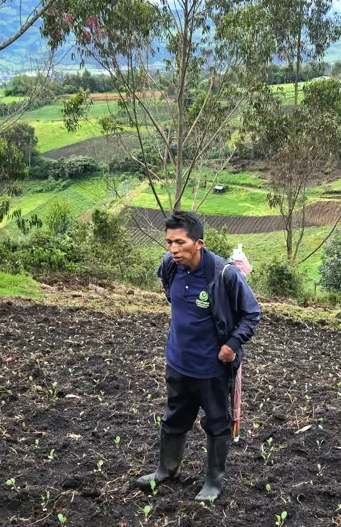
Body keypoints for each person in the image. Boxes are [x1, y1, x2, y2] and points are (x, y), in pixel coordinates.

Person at [136, 210, 261, 502]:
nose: (173, 249)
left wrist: (231, 344)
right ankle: (166, 470)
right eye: (168, 242)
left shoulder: (224, 274)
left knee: (217, 423)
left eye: (179, 242)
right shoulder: (170, 266)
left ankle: (213, 483)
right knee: (174, 417)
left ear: (199, 243)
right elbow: (172, 295)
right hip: (178, 362)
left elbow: (251, 313)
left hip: (212, 368)